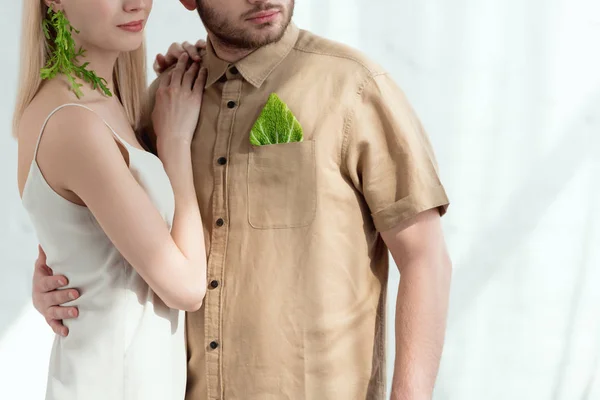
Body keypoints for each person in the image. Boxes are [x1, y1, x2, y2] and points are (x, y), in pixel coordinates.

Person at [33, 0, 453, 399]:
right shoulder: (165, 104)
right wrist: (55, 279)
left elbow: (424, 256)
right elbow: (108, 235)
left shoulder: (353, 88)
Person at [15, 0, 208, 399]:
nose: (136, 2)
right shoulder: (74, 122)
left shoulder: (103, 104)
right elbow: (187, 288)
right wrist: (174, 141)